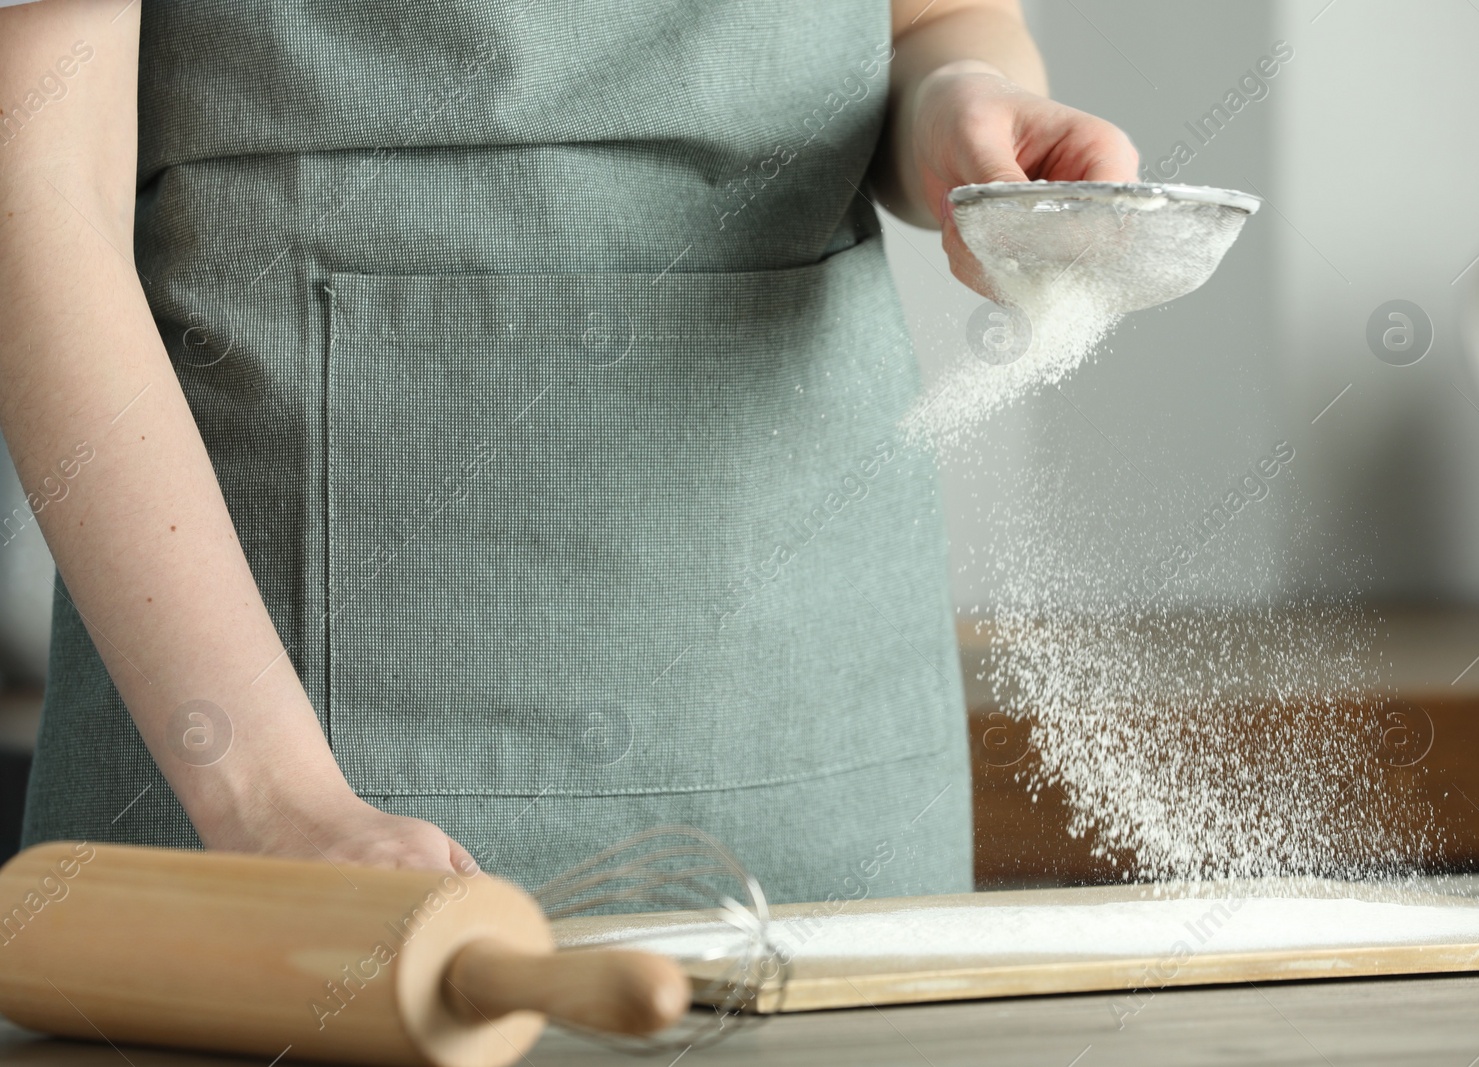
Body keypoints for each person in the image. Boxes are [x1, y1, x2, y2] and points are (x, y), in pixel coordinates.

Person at [0, 0, 1137, 903]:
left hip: (828, 757)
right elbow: (36, 178)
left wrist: (966, 109)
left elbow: (928, 19)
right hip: (284, 780)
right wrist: (275, 804)